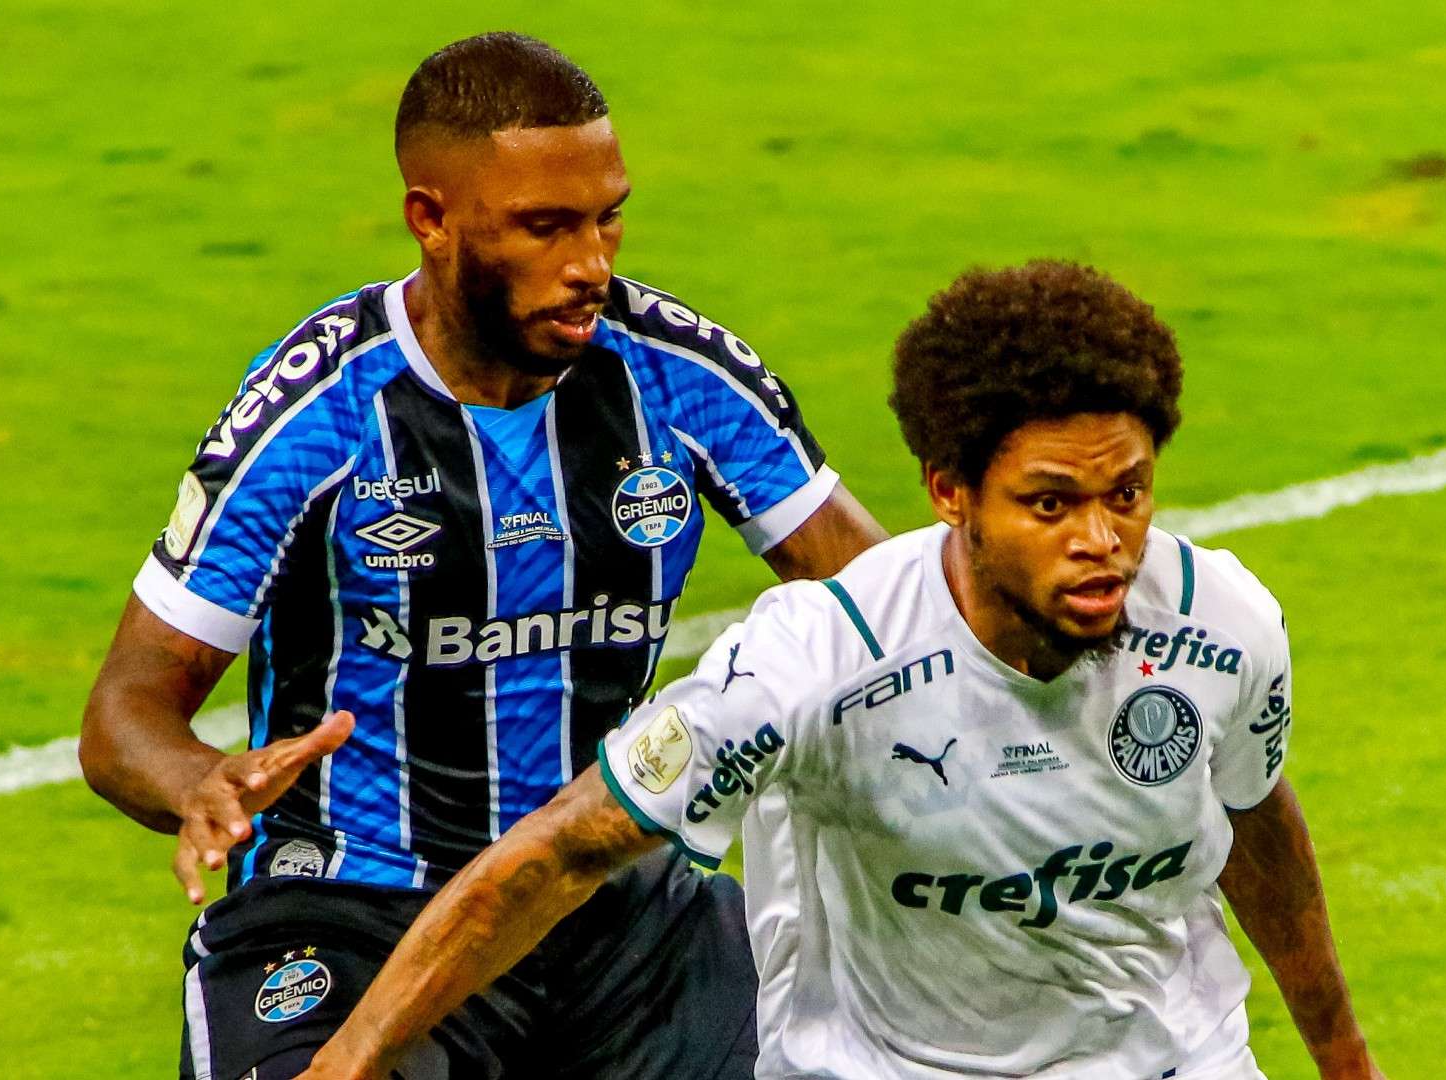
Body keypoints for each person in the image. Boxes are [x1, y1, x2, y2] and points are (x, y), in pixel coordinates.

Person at [294, 260, 1386, 1080]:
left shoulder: (1220, 624)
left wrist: (1339, 1048)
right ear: (950, 491)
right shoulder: (814, 667)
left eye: (1129, 494)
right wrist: (347, 1065)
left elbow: (1251, 813)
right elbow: (566, 851)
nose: (1102, 538)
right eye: (1051, 503)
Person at [78, 32, 886, 1080]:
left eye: (607, 218)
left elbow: (891, 612)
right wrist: (201, 786)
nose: (591, 264)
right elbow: (122, 716)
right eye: (545, 227)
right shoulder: (318, 414)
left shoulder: (677, 378)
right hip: (353, 910)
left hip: (615, 898)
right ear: (432, 218)